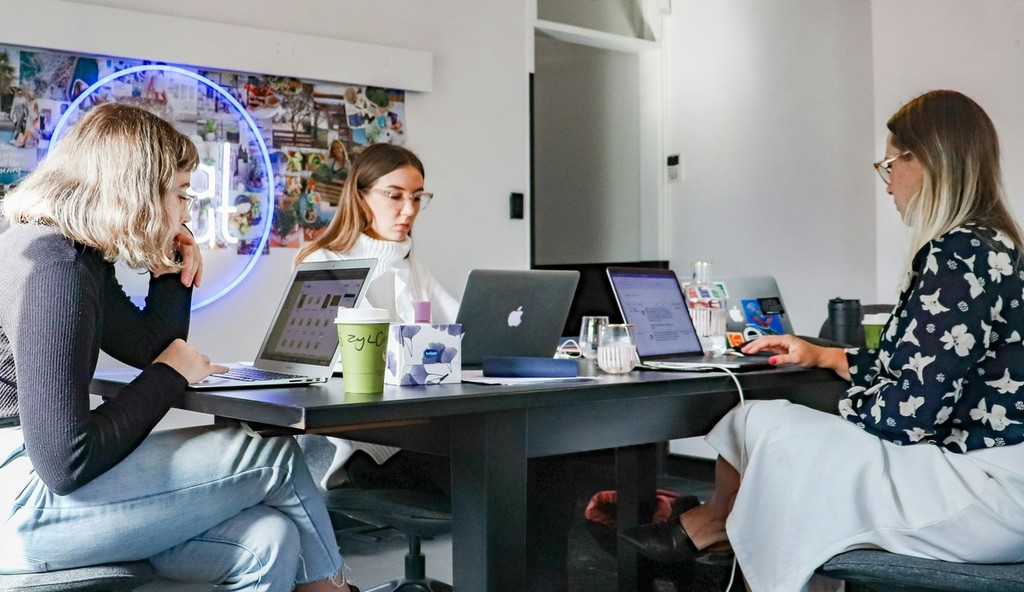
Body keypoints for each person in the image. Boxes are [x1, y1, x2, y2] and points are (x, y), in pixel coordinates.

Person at [620, 89, 1024, 591]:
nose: (888, 184)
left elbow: (908, 415)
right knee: (766, 427)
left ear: (924, 160)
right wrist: (826, 355)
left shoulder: (955, 253)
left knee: (764, 423)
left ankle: (715, 525)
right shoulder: (994, 244)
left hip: (982, 496)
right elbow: (929, 364)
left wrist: (837, 410)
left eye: (889, 165)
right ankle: (717, 526)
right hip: (998, 479)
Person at [0, 103, 358, 592]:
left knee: (269, 539)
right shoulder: (56, 269)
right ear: (138, 192)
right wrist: (170, 375)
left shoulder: (68, 250)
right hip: (22, 502)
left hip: (33, 486)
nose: (188, 211)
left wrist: (170, 269)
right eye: (182, 195)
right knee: (274, 454)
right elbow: (65, 461)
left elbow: (149, 344)